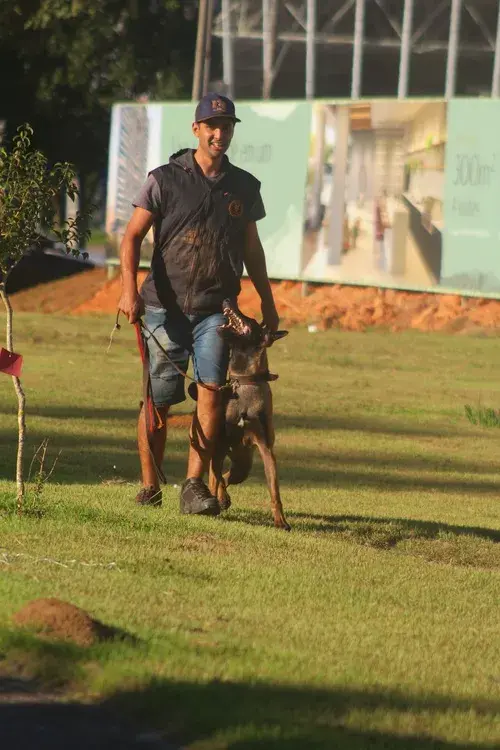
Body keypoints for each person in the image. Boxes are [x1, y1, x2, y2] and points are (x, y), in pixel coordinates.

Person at [118, 93, 280, 516]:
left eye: (226, 126)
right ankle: (150, 483)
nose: (219, 133)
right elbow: (131, 236)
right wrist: (128, 290)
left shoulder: (244, 186)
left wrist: (268, 301)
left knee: (211, 393)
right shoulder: (165, 179)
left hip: (216, 311)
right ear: (196, 130)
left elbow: (253, 251)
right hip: (162, 308)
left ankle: (193, 487)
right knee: (158, 402)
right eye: (212, 126)